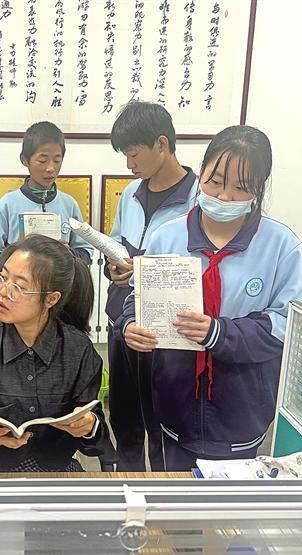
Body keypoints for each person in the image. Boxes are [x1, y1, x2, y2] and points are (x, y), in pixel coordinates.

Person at [119, 125, 302, 471]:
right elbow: (138, 295)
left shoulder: (281, 246)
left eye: (241, 188)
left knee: (230, 498)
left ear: (259, 189)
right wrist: (130, 323)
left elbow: (285, 325)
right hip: (175, 402)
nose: (224, 196)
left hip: (240, 411)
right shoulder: (167, 236)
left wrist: (218, 333)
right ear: (201, 172)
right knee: (175, 495)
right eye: (215, 181)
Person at [0, 235, 110, 472]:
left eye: (18, 287)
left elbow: (96, 440)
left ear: (51, 299)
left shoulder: (78, 351)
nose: (2, 292)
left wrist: (89, 426)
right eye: (2, 278)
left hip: (56, 472)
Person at [105, 101, 199, 471]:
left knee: (163, 423)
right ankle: (126, 487)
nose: (129, 164)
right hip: (122, 322)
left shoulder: (198, 199)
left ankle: (163, 495)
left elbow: (198, 266)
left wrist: (144, 271)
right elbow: (115, 243)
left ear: (162, 144)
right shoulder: (130, 194)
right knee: (124, 418)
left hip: (165, 331)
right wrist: (114, 268)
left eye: (133, 154)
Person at [0, 121, 94, 271]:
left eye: (57, 160)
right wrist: (20, 257)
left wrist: (68, 254)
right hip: (21, 283)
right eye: (43, 160)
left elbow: (86, 252)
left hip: (60, 284)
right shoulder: (8, 204)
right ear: (25, 160)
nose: (51, 168)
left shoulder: (69, 204)